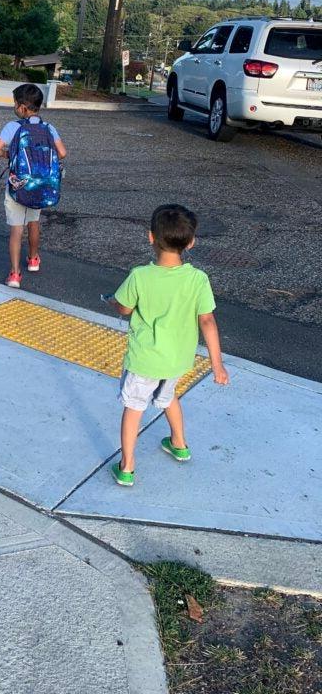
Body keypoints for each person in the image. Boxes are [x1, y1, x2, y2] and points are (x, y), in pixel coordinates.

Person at [108, 204, 230, 487]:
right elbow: (208, 321)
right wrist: (217, 364)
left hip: (146, 360)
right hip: (177, 359)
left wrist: (115, 301)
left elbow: (124, 309)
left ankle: (127, 466)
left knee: (134, 408)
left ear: (151, 237)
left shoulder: (140, 276)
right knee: (168, 396)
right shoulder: (198, 279)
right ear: (191, 242)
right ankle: (179, 443)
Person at [0, 83, 67, 288]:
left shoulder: (13, 127)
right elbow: (62, 153)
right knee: (34, 222)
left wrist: (10, 155)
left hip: (18, 185)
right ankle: (33, 259)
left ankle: (15, 274)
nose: (14, 107)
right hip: (40, 184)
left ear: (23, 107)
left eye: (16, 104)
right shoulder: (48, 128)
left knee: (16, 229)